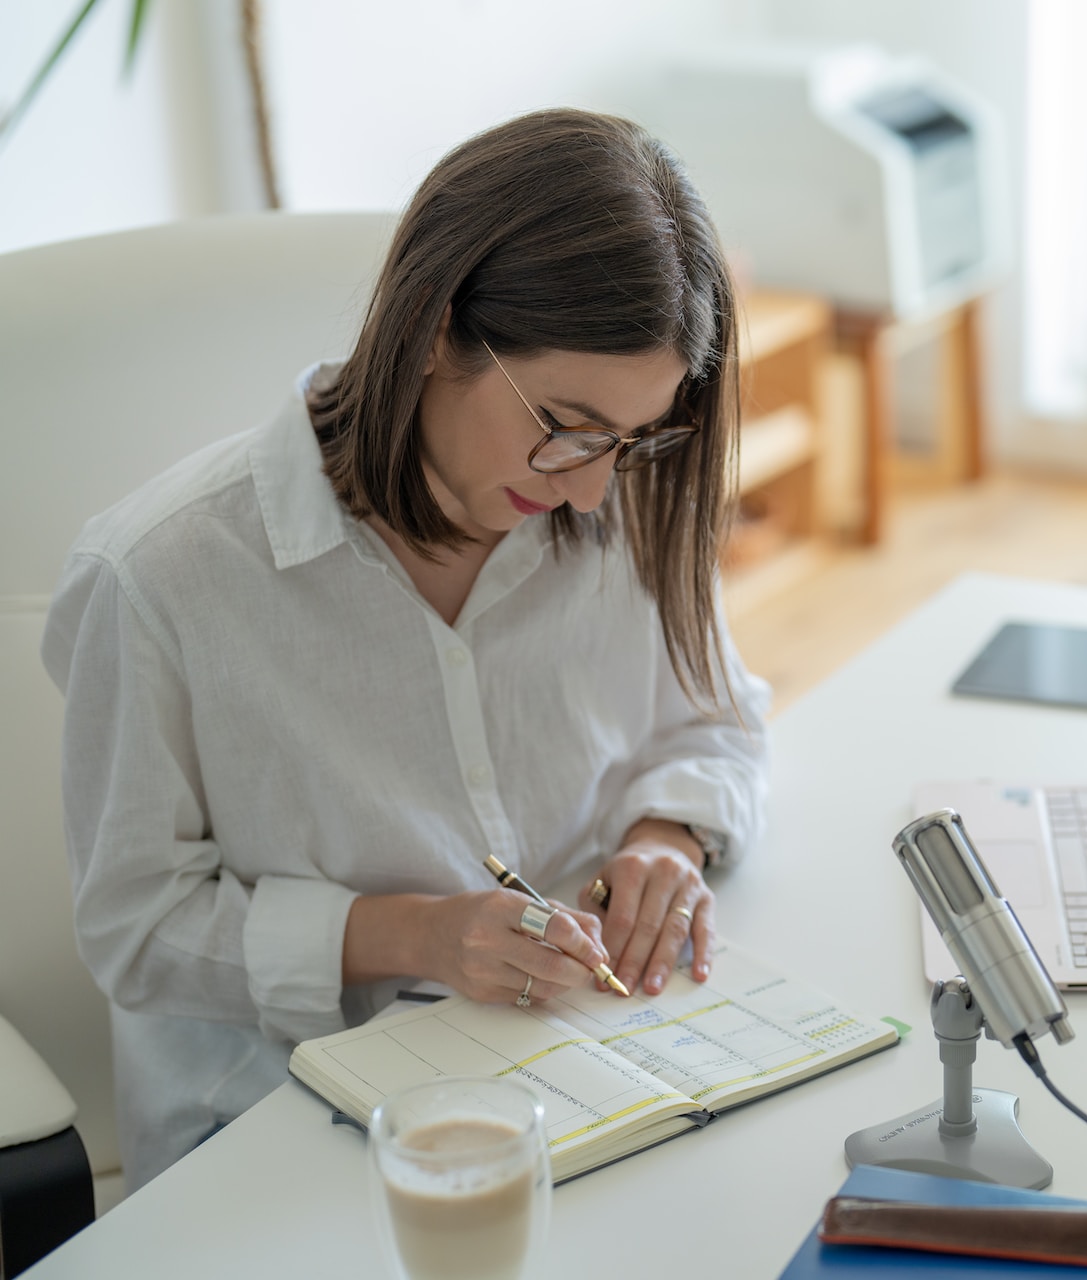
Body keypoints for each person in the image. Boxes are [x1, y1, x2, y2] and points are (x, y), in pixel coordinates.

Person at [39, 109, 770, 1190]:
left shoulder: (614, 494)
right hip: (275, 1127)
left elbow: (720, 713)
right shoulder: (159, 578)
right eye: (566, 424)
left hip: (573, 1067)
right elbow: (137, 928)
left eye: (633, 439)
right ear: (434, 327)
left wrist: (664, 837)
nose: (591, 488)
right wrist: (418, 934)